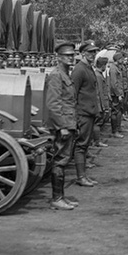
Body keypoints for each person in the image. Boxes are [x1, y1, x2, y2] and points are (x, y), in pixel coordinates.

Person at [44, 41, 79, 210]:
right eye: (67, 55)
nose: (71, 58)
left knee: (63, 160)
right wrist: (62, 127)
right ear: (59, 57)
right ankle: (56, 198)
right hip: (63, 125)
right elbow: (53, 104)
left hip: (69, 122)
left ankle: (60, 197)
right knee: (59, 161)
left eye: (72, 55)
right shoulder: (56, 75)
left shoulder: (65, 74)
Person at [71, 39, 102, 187]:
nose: (93, 54)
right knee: (81, 146)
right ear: (82, 53)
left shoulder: (88, 68)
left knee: (84, 145)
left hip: (89, 112)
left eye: (94, 52)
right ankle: (80, 177)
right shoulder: (79, 69)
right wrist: (75, 115)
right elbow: (73, 94)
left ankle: (83, 175)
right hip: (82, 113)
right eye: (90, 52)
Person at [107, 51, 126, 139]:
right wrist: (118, 94)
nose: (123, 60)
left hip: (119, 93)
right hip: (115, 94)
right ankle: (114, 131)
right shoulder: (114, 69)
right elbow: (114, 84)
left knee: (119, 111)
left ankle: (118, 128)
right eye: (121, 59)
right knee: (115, 112)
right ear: (118, 59)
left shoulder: (118, 67)